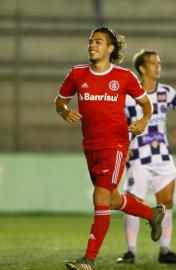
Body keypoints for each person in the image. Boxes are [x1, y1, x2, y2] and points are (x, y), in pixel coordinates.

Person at [54, 27, 166, 270]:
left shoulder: (124, 77)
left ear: (110, 48)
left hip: (115, 145)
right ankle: (152, 214)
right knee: (113, 200)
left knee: (100, 197)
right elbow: (60, 102)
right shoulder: (77, 74)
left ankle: (89, 260)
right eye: (90, 42)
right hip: (90, 145)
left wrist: (143, 121)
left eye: (98, 42)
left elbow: (147, 106)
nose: (92, 46)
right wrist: (65, 112)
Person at [116, 49, 176, 264]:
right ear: (142, 68)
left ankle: (165, 251)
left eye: (159, 63)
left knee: (166, 202)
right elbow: (116, 119)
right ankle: (130, 251)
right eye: (154, 63)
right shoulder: (130, 95)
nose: (159, 66)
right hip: (138, 157)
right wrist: (121, 143)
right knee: (133, 202)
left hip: (163, 158)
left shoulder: (166, 91)